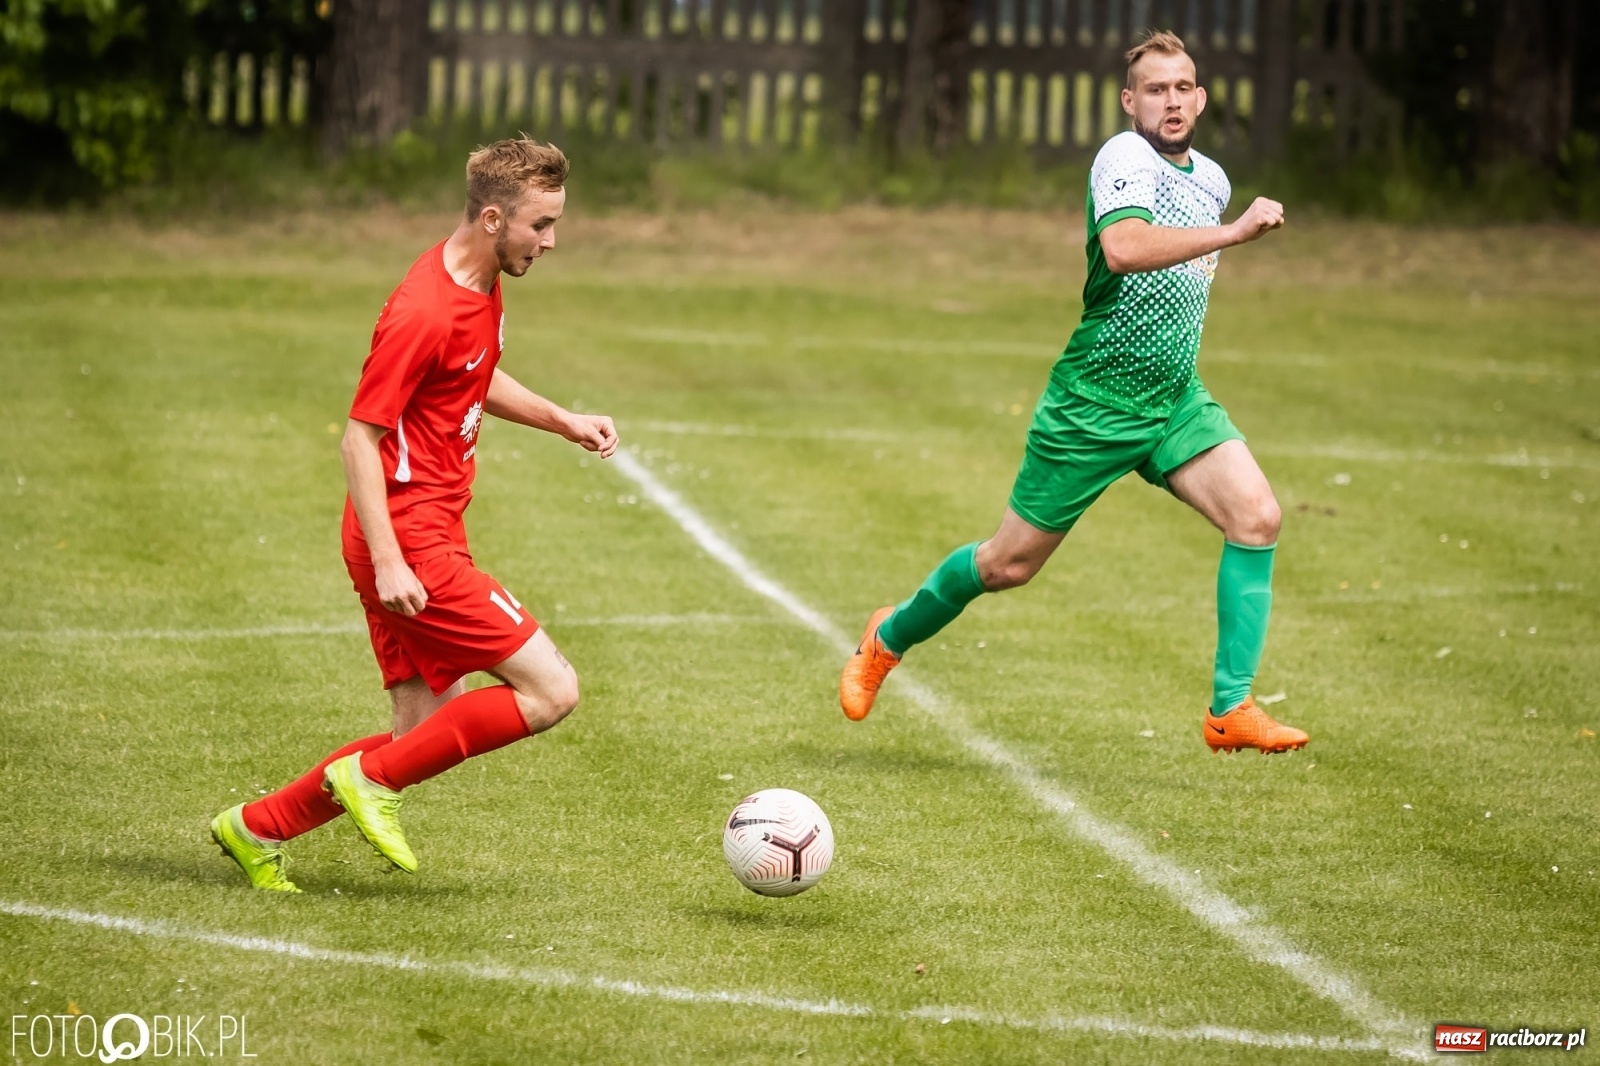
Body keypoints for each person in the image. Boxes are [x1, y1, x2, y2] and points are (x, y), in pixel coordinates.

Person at [840, 31, 1308, 755]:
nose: (1171, 101)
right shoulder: (1124, 158)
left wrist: (1223, 225)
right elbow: (1123, 248)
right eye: (1156, 90)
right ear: (1130, 101)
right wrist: (1234, 232)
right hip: (1094, 402)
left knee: (1258, 515)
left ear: (1202, 97)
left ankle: (1230, 710)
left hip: (1174, 399)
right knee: (1007, 566)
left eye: (1183, 88)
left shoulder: (1211, 177)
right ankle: (887, 637)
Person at [211, 138, 618, 892]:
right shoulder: (422, 312)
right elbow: (357, 441)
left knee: (420, 735)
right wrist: (395, 558)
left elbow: (472, 372)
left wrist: (562, 419)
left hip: (416, 531)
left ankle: (256, 827)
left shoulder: (482, 277)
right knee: (552, 691)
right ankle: (375, 783)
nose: (551, 241)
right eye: (540, 225)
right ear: (493, 217)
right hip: (408, 540)